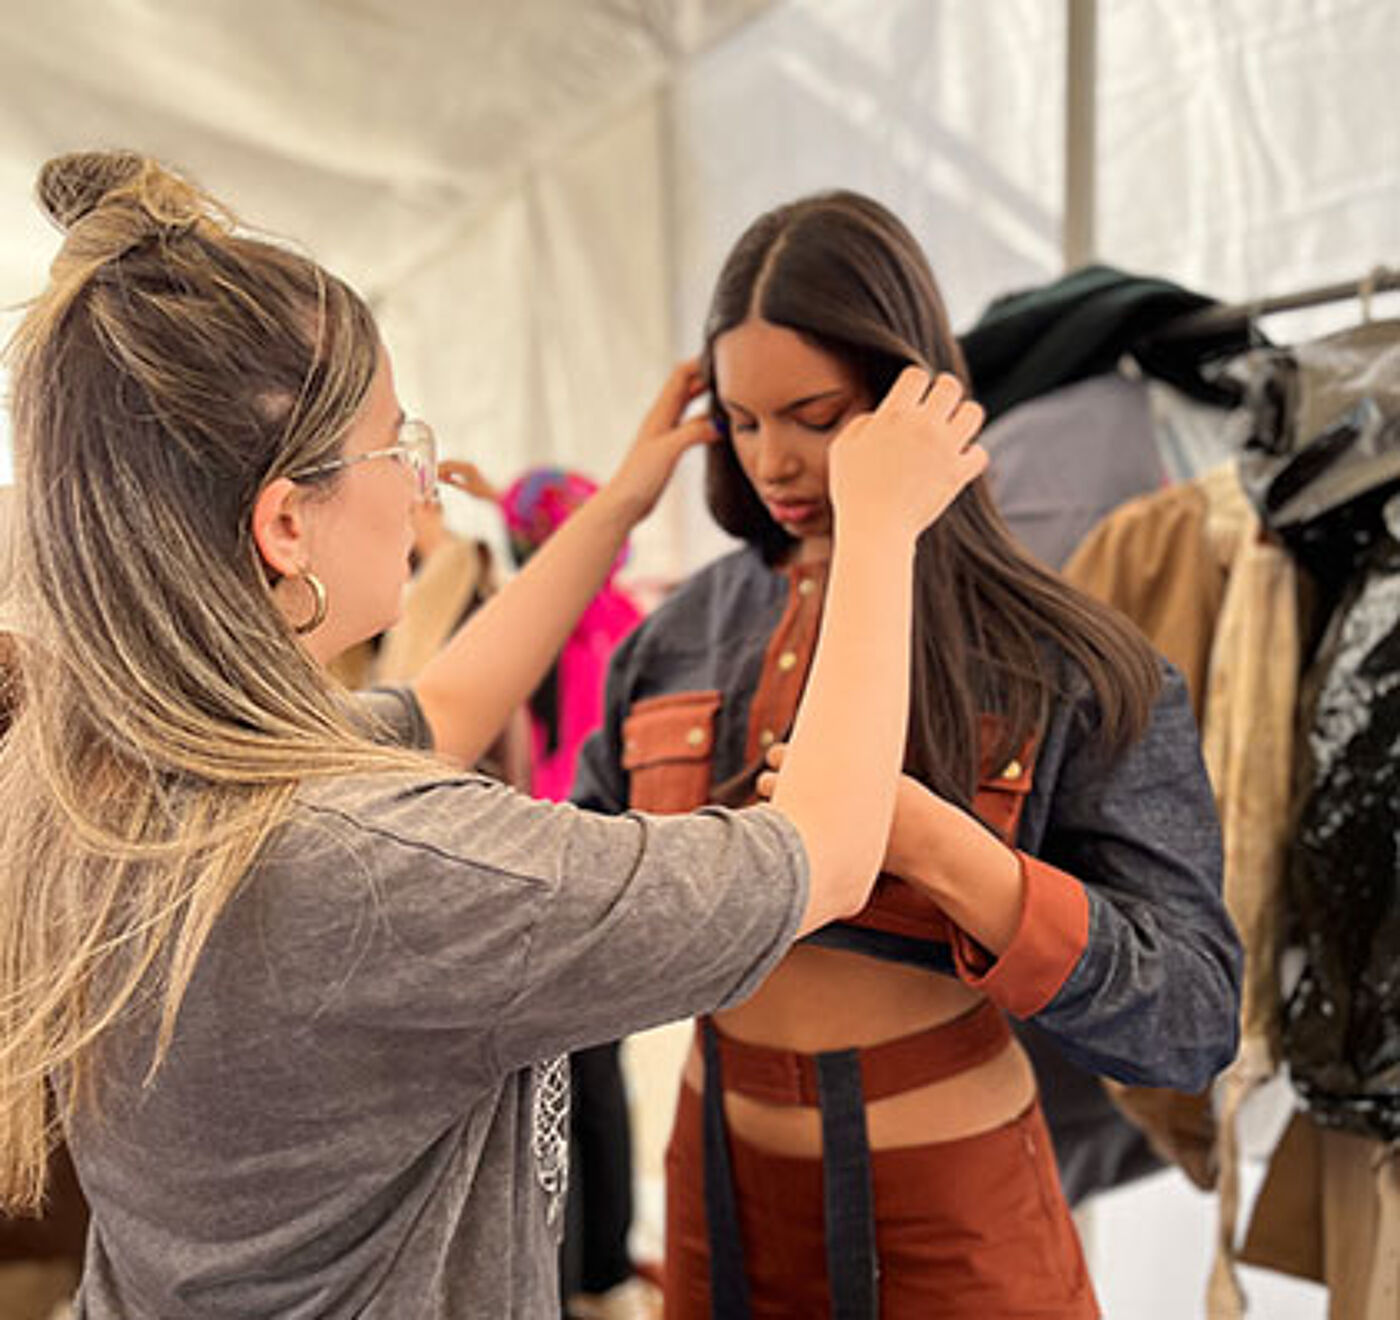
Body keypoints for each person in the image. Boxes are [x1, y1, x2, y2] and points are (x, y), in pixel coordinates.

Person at [0, 153, 986, 1319]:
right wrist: (882, 533)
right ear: (283, 524)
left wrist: (613, 509)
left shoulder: (119, 776)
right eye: (391, 443)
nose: (422, 481)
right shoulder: (374, 864)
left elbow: (445, 708)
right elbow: (817, 854)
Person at [569, 191, 1244, 1318]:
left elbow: (1189, 1018)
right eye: (741, 421)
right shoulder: (672, 641)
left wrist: (948, 854)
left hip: (954, 1225)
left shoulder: (1057, 660)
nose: (775, 460)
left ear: (909, 398)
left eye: (816, 414)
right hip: (710, 1206)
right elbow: (570, 902)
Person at [448, 461, 660, 1320]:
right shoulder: (630, 622)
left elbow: (515, 759)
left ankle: (559, 1278)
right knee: (601, 1083)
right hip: (616, 871)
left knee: (550, 1094)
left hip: (540, 878)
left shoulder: (530, 640)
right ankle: (603, 1267)